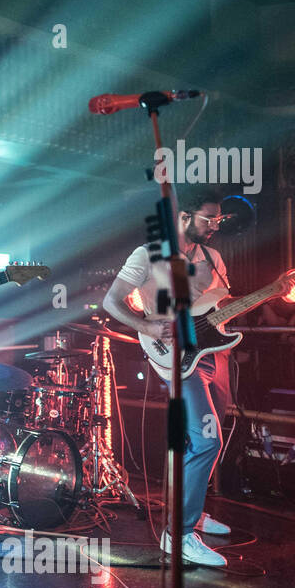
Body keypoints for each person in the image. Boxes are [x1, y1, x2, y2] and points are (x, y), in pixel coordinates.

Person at [102, 185, 233, 567]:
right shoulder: (147, 255)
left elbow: (217, 308)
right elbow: (112, 301)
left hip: (212, 356)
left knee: (208, 442)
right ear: (183, 217)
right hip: (175, 358)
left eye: (219, 218)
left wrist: (275, 292)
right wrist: (145, 325)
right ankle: (179, 534)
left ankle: (191, 511)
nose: (215, 225)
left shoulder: (213, 257)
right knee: (206, 440)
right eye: (209, 218)